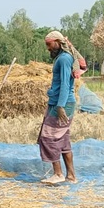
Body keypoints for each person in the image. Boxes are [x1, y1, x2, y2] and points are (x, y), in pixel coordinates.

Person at [39, 31, 77, 184]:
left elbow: (65, 84)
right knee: (62, 139)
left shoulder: (64, 59)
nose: (48, 48)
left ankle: (58, 174)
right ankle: (71, 176)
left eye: (49, 44)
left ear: (57, 42)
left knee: (49, 137)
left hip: (63, 104)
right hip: (58, 103)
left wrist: (60, 105)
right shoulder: (61, 58)